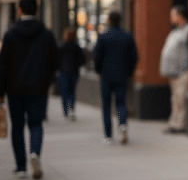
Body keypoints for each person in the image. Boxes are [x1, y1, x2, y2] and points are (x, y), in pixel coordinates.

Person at [0, 0, 58, 179]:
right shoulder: (46, 34)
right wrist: (47, 81)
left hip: (14, 89)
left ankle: (21, 166)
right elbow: (54, 61)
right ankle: (35, 153)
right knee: (36, 124)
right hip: (38, 88)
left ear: (20, 10)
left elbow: (3, 66)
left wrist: (0, 92)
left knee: (17, 126)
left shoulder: (10, 34)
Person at [93, 11, 138, 144]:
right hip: (122, 76)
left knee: (106, 106)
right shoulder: (127, 36)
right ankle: (123, 125)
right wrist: (129, 72)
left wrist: (99, 70)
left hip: (106, 76)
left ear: (109, 21)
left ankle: (108, 135)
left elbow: (96, 57)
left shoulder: (103, 36)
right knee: (121, 103)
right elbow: (134, 57)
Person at [159, 4, 188, 134]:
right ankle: (174, 123)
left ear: (181, 16)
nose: (171, 17)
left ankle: (180, 125)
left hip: (183, 71)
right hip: (173, 72)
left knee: (181, 99)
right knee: (175, 99)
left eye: (173, 14)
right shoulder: (175, 31)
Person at [57, 27, 86, 121]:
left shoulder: (61, 47)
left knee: (64, 93)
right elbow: (82, 60)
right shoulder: (76, 47)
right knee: (72, 92)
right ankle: (71, 110)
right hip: (74, 72)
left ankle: (66, 112)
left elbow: (56, 60)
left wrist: (59, 68)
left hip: (64, 73)